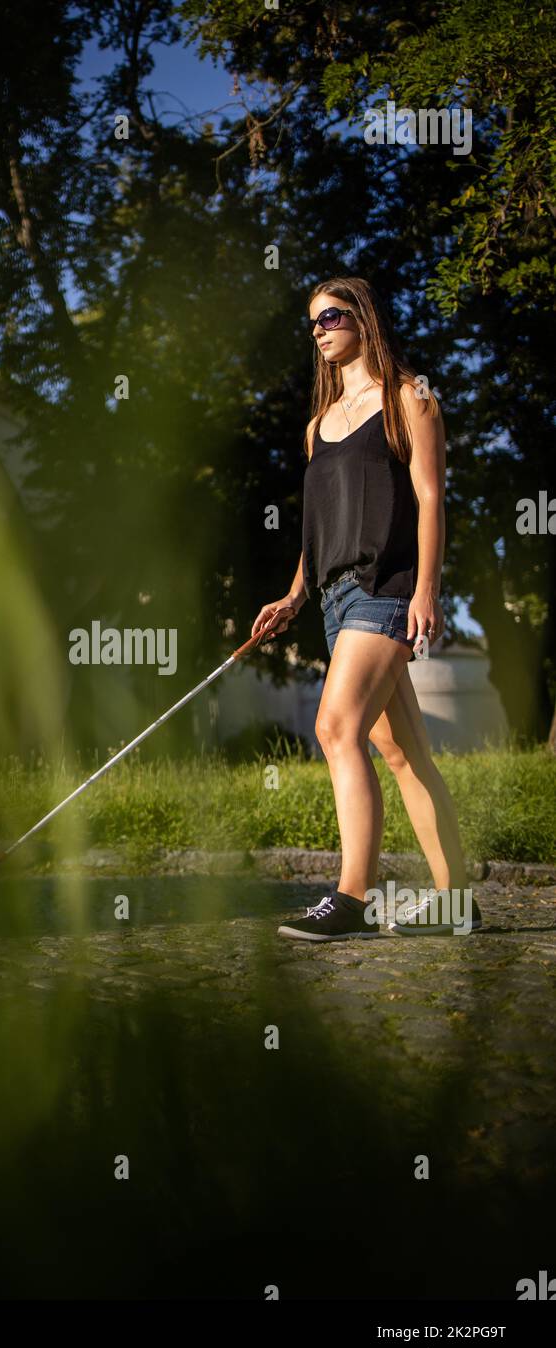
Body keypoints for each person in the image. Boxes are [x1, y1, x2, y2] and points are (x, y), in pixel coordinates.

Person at [251, 276, 482, 941]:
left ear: (363, 318)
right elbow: (317, 525)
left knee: (334, 728)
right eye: (312, 322)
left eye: (330, 316)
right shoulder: (318, 426)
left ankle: (352, 899)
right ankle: (456, 901)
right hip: (333, 598)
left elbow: (432, 499)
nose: (319, 329)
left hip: (387, 587)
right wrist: (295, 594)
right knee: (404, 754)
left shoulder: (411, 397)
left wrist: (427, 590)